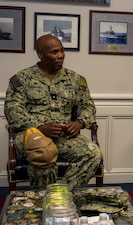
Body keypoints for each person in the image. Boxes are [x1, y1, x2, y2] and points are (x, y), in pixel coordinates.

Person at [4, 34, 103, 190]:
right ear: (40, 54)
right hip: (31, 136)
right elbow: (13, 112)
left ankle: (59, 194)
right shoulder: (22, 79)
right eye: (54, 52)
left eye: (62, 51)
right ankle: (43, 198)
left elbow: (88, 106)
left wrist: (79, 123)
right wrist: (40, 127)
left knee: (93, 153)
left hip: (64, 137)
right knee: (43, 152)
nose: (61, 56)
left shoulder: (75, 79)